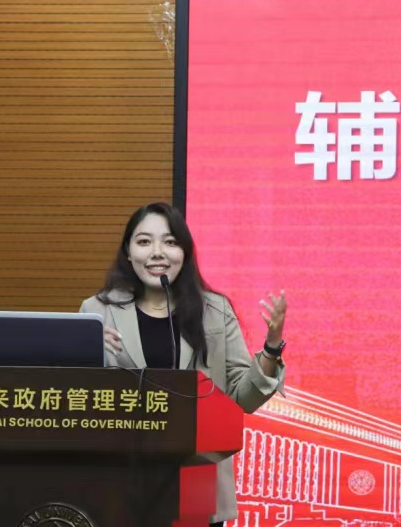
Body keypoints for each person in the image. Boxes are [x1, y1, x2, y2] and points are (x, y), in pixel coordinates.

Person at [80, 202, 287, 526]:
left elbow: (242, 398)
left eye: (170, 242)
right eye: (144, 241)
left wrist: (271, 347)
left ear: (185, 252)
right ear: (128, 252)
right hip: (121, 482)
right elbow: (76, 401)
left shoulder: (214, 311)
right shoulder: (97, 310)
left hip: (197, 482)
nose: (157, 252)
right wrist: (89, 352)